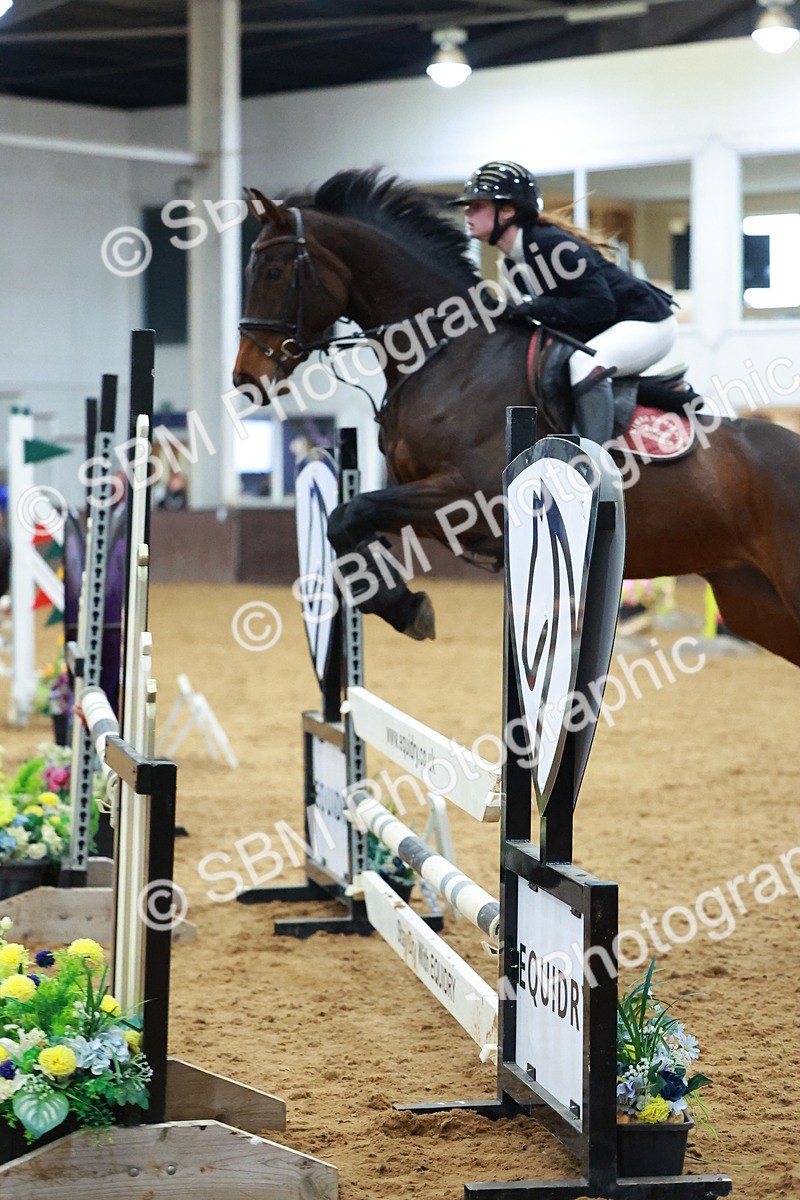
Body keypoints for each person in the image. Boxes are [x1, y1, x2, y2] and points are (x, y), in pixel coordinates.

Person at [449, 161, 678, 444]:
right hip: (614, 324)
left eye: (476, 206)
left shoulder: (550, 243)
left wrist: (531, 307)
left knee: (584, 364)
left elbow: (599, 306)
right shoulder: (511, 262)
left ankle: (592, 461)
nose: (468, 213)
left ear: (507, 211)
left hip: (648, 322)